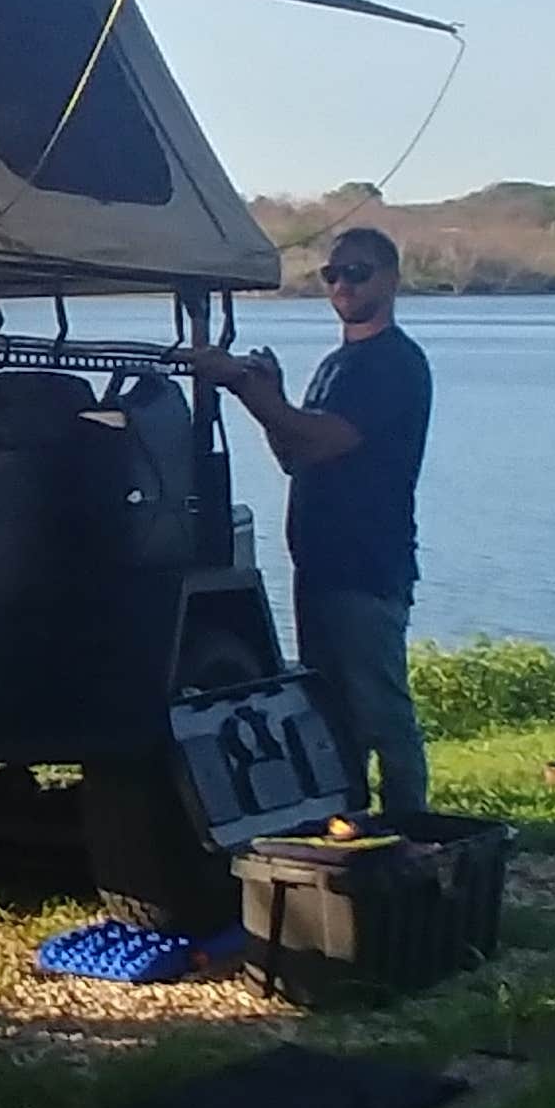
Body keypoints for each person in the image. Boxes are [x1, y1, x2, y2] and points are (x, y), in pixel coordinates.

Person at [180, 224, 434, 815]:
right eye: (332, 273)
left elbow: (321, 439)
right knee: (332, 716)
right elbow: (295, 454)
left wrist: (244, 386)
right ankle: (349, 827)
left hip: (367, 568)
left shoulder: (392, 364)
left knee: (381, 714)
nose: (343, 284)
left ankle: (414, 830)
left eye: (358, 272)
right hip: (319, 568)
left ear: (392, 280)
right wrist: (267, 395)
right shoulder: (338, 366)